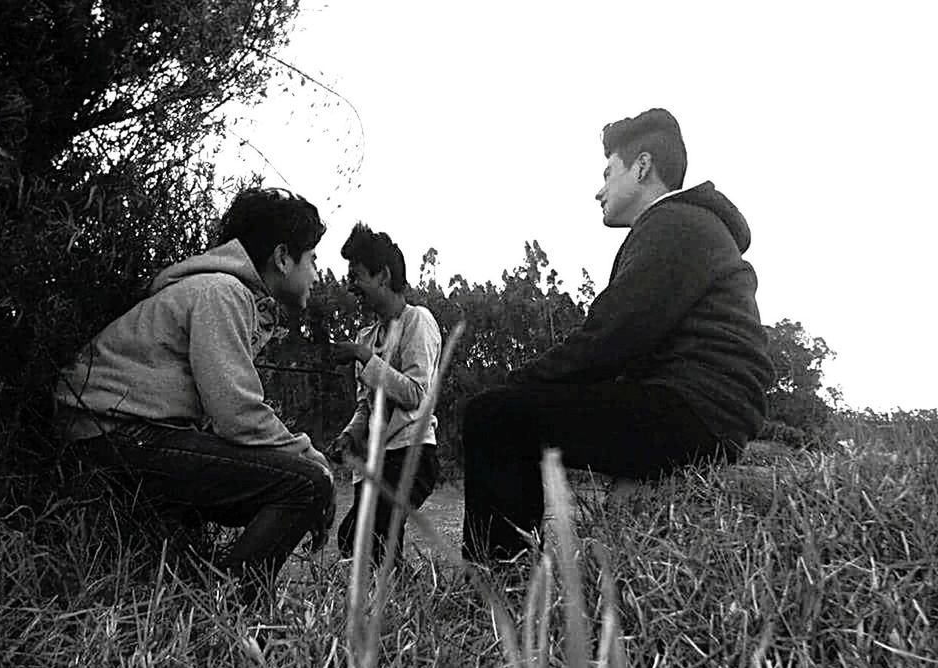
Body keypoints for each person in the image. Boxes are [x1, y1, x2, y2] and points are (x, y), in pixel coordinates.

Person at [462, 108, 775, 563]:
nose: (599, 190)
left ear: (642, 167)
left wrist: (517, 383)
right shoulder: (689, 227)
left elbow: (609, 340)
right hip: (707, 409)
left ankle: (497, 583)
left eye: (609, 173)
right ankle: (516, 568)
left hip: (692, 411)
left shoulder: (674, 225)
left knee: (492, 416)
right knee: (516, 411)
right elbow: (626, 343)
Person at [54, 187, 336, 602]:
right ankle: (229, 608)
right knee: (306, 484)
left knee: (274, 482)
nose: (316, 273)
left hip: (105, 434)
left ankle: (187, 590)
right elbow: (236, 413)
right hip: (116, 434)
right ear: (282, 257)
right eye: (312, 258)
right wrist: (313, 461)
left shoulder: (214, 290)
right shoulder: (222, 292)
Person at [328, 222, 442, 567]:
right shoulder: (366, 335)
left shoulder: (418, 321)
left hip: (411, 453)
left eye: (358, 274)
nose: (352, 285)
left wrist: (366, 358)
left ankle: (404, 605)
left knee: (372, 536)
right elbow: (367, 404)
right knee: (355, 540)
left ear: (384, 275)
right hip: (373, 461)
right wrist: (349, 436)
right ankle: (402, 603)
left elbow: (415, 394)